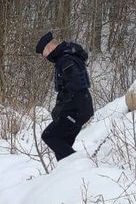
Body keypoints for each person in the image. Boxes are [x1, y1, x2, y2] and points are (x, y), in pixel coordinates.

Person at [36, 32, 94, 161]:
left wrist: (60, 108)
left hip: (77, 108)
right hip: (80, 107)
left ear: (49, 48)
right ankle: (66, 174)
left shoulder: (66, 60)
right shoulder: (66, 56)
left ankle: (79, 165)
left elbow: (74, 85)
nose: (45, 57)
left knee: (50, 136)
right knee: (62, 142)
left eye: (43, 53)